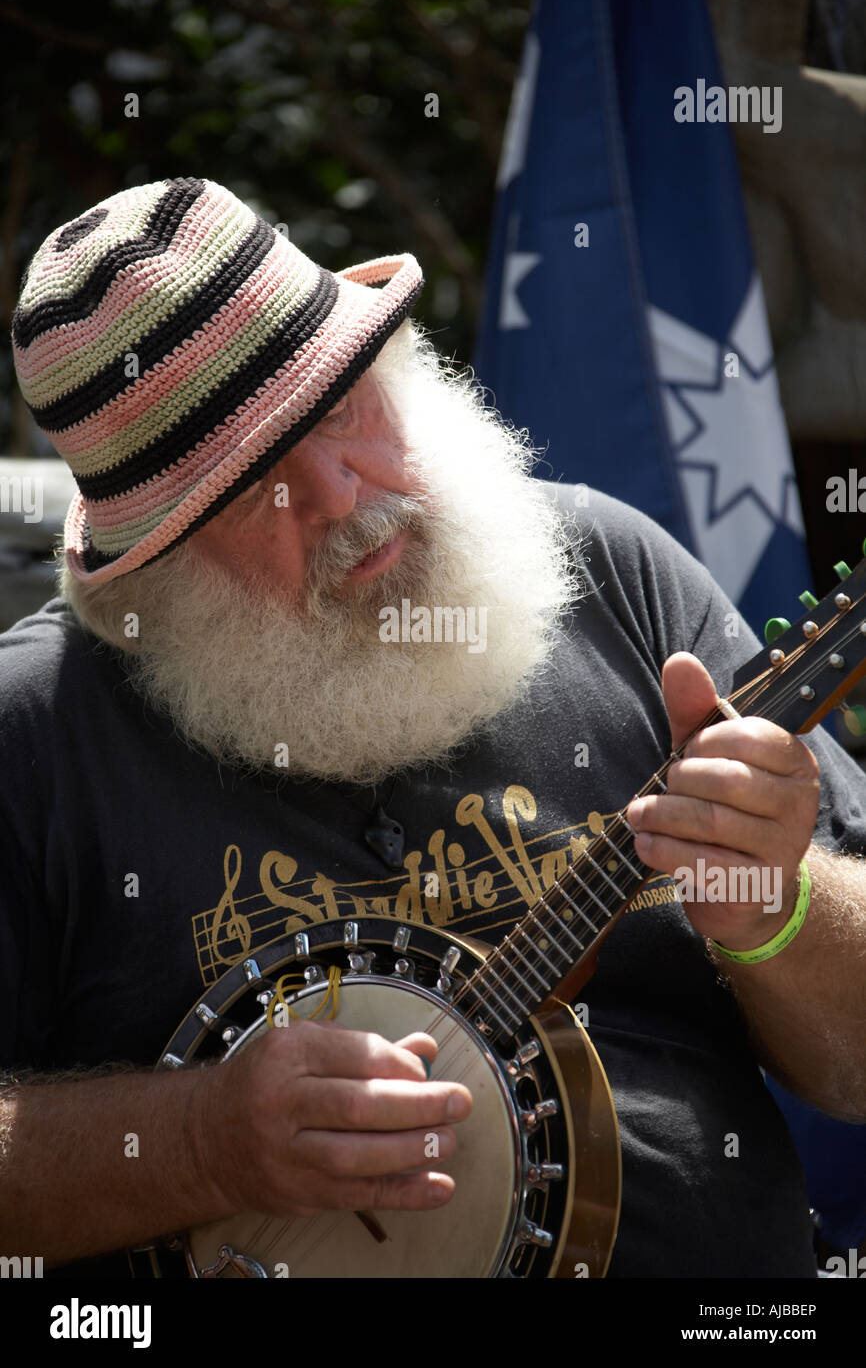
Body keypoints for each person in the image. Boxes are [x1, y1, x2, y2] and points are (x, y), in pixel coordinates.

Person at [2, 177, 865, 1280]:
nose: (342, 496)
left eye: (342, 406)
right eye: (251, 487)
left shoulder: (614, 576)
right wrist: (197, 1142)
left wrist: (775, 905)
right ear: (151, 565)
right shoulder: (38, 731)